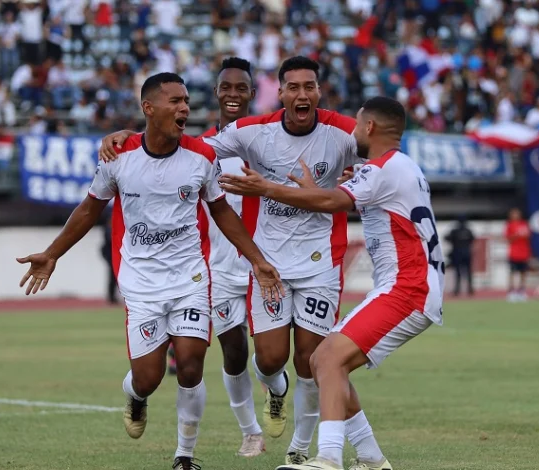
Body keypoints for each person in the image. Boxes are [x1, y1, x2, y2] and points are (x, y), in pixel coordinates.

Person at [99, 56, 385, 468]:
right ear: (280, 93)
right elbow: (170, 144)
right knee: (259, 358)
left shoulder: (340, 131)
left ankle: (300, 448)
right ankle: (258, 415)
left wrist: (357, 178)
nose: (301, 94)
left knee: (311, 360)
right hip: (244, 263)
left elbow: (380, 153)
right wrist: (128, 134)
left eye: (310, 87)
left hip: (317, 261)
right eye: (293, 87)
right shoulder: (245, 136)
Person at [17, 72, 282, 470]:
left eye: (187, 101)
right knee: (148, 377)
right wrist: (53, 253)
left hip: (190, 277)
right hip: (141, 283)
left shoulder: (202, 157)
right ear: (149, 108)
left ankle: (184, 456)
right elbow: (90, 209)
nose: (184, 108)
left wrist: (257, 259)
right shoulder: (118, 157)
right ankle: (136, 398)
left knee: (191, 363)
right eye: (174, 101)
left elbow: (222, 212)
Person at [219, 96, 443, 470]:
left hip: (407, 288)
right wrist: (315, 190)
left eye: (356, 125)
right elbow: (345, 199)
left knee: (325, 358)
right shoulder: (402, 167)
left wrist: (267, 189)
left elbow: (332, 202)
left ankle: (328, 457)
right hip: (410, 287)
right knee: (327, 362)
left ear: (369, 127)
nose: (352, 131)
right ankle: (371, 458)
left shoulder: (381, 169)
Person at [167, 56, 266, 456]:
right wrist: (122, 135)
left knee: (274, 358)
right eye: (226, 87)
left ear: (252, 94)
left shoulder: (270, 141)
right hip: (221, 267)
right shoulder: (202, 148)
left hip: (267, 261)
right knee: (234, 349)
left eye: (241, 87)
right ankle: (251, 431)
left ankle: (274, 386)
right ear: (216, 92)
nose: (233, 94)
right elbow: (154, 145)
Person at [505, 207, 531, 302]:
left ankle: (522, 291)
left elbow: (528, 236)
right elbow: (508, 238)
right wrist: (516, 235)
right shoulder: (509, 225)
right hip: (513, 253)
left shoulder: (524, 224)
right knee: (512, 273)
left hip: (524, 253)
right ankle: (511, 291)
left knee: (523, 273)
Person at [445, 216, 475, 296]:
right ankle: (470, 289)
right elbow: (472, 240)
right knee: (468, 272)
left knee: (458, 272)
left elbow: (447, 238)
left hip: (457, 253)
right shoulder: (468, 231)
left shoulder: (455, 231)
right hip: (467, 253)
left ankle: (457, 290)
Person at [101, 212, 118, 304]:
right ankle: (111, 297)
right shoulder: (108, 229)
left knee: (115, 276)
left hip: (115, 254)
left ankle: (113, 296)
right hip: (110, 255)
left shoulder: (115, 228)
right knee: (112, 276)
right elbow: (109, 241)